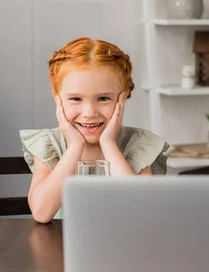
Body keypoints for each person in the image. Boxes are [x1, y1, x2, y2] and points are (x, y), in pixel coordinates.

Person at [21, 37, 168, 223]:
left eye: (103, 98)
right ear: (57, 98)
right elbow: (41, 213)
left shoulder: (139, 144)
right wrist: (75, 146)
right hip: (62, 248)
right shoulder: (50, 144)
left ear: (123, 98)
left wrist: (109, 144)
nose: (89, 113)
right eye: (75, 99)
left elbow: (141, 212)